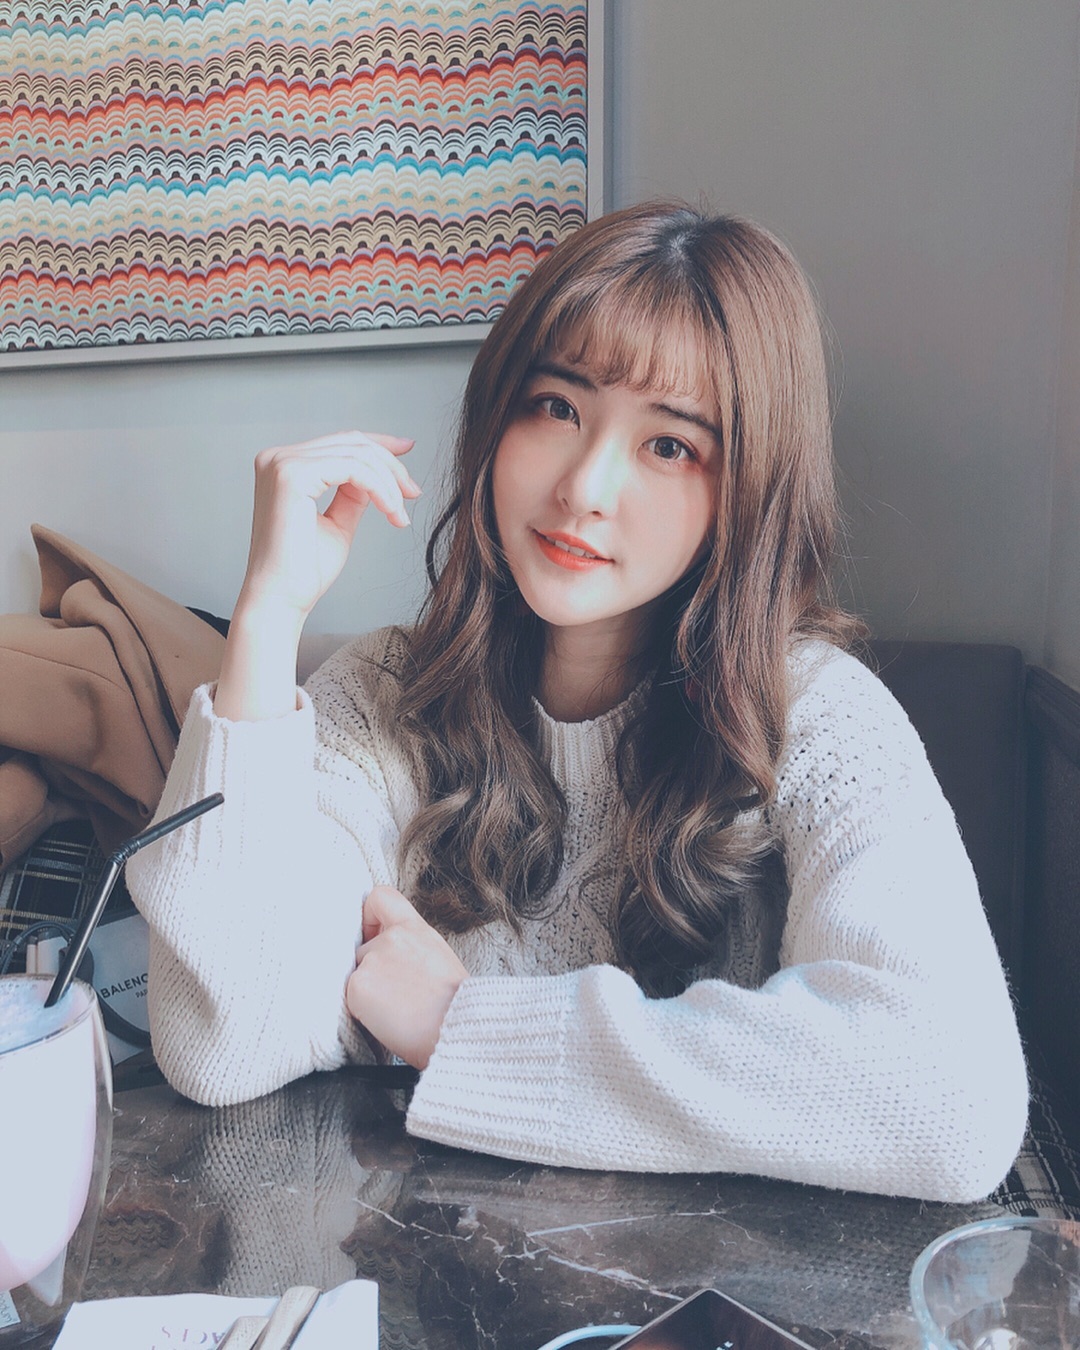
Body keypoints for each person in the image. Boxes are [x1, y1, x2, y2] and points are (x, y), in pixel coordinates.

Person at [127, 201, 1028, 1202]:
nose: (586, 487)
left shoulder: (811, 716)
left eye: (670, 446)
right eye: (557, 406)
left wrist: (461, 1031)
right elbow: (223, 1042)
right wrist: (266, 617)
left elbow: (948, 1099)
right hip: (427, 1272)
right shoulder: (383, 696)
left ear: (749, 489)